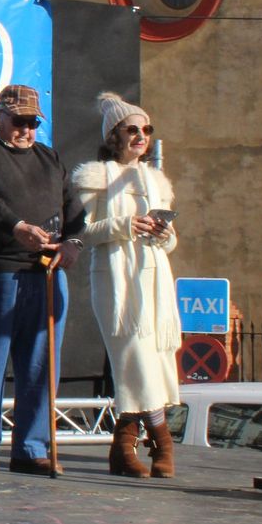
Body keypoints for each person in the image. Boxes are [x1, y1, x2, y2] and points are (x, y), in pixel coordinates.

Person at [0, 84, 84, 476]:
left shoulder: (49, 158)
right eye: (19, 122)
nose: (26, 130)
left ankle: (32, 447)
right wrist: (16, 226)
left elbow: (74, 208)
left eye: (33, 123)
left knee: (41, 365)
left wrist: (73, 243)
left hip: (43, 273)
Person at [71, 91, 180, 479]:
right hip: (116, 279)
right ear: (114, 135)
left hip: (153, 277)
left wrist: (162, 232)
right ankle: (162, 439)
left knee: (155, 358)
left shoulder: (157, 180)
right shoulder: (95, 177)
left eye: (146, 130)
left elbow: (171, 243)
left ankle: (123, 446)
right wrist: (124, 225)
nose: (141, 136)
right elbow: (81, 231)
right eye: (132, 129)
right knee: (134, 357)